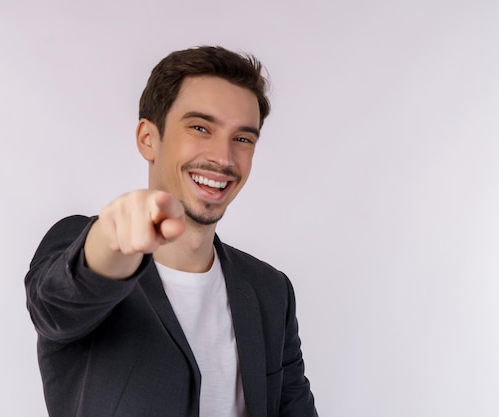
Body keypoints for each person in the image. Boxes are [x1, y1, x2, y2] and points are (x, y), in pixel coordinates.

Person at [25, 45, 318, 417]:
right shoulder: (79, 246)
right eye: (200, 127)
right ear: (149, 138)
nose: (224, 158)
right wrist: (111, 243)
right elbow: (58, 302)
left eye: (243, 138)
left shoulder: (270, 290)